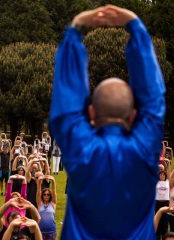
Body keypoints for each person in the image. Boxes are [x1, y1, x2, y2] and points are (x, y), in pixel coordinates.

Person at [49, 5, 165, 239]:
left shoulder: (80, 146)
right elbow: (153, 102)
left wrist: (75, 30)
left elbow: (67, 107)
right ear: (133, 114)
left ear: (91, 112)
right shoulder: (144, 147)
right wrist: (136, 27)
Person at [36, 175, 57, 240]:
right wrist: (39, 181)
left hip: (51, 230)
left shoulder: (53, 204)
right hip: (41, 230)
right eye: (44, 194)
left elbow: (54, 191)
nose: (46, 196)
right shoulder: (40, 203)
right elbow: (38, 192)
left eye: (48, 194)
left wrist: (53, 181)